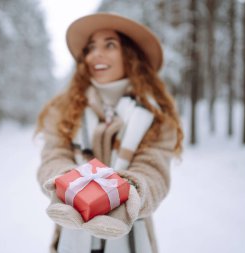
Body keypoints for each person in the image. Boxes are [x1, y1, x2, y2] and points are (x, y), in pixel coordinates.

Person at [35, 12, 183, 253]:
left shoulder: (156, 116)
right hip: (72, 240)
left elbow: (153, 171)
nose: (96, 54)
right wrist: (68, 185)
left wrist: (130, 193)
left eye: (109, 44)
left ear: (130, 55)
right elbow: (53, 157)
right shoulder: (62, 109)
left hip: (134, 240)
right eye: (90, 48)